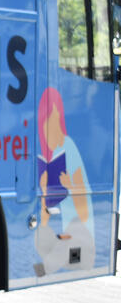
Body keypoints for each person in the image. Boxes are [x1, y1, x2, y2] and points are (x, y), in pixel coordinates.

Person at [34, 86, 94, 276]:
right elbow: (45, 219)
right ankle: (51, 260)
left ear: (59, 120)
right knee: (41, 236)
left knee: (66, 239)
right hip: (63, 233)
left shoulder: (69, 148)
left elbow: (84, 214)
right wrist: (44, 193)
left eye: (51, 121)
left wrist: (70, 186)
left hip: (81, 236)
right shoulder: (48, 155)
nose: (47, 129)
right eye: (44, 123)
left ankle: (45, 268)